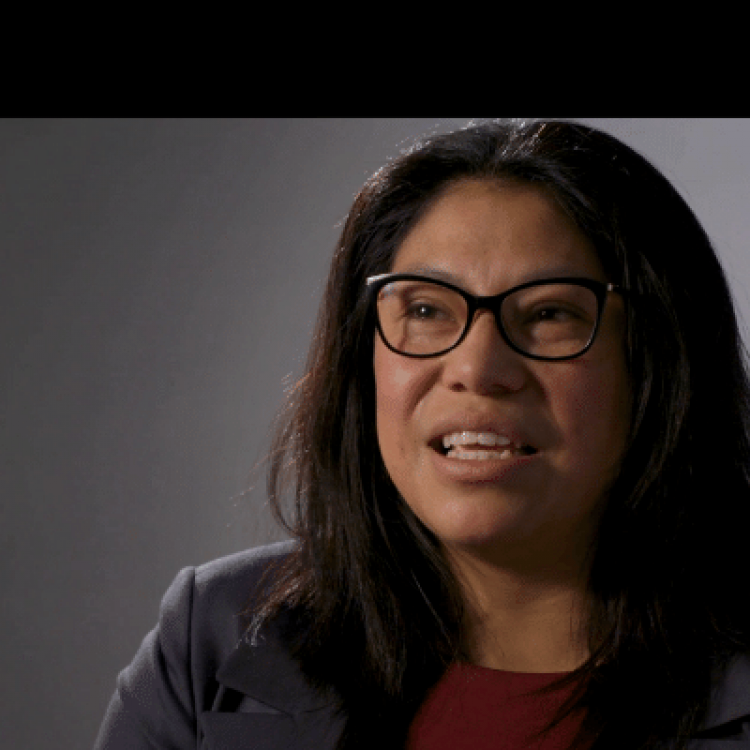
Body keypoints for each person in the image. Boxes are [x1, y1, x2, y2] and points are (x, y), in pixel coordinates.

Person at [93, 120, 750, 750]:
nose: (476, 369)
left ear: (662, 363)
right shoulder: (212, 637)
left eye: (550, 313)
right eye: (428, 309)